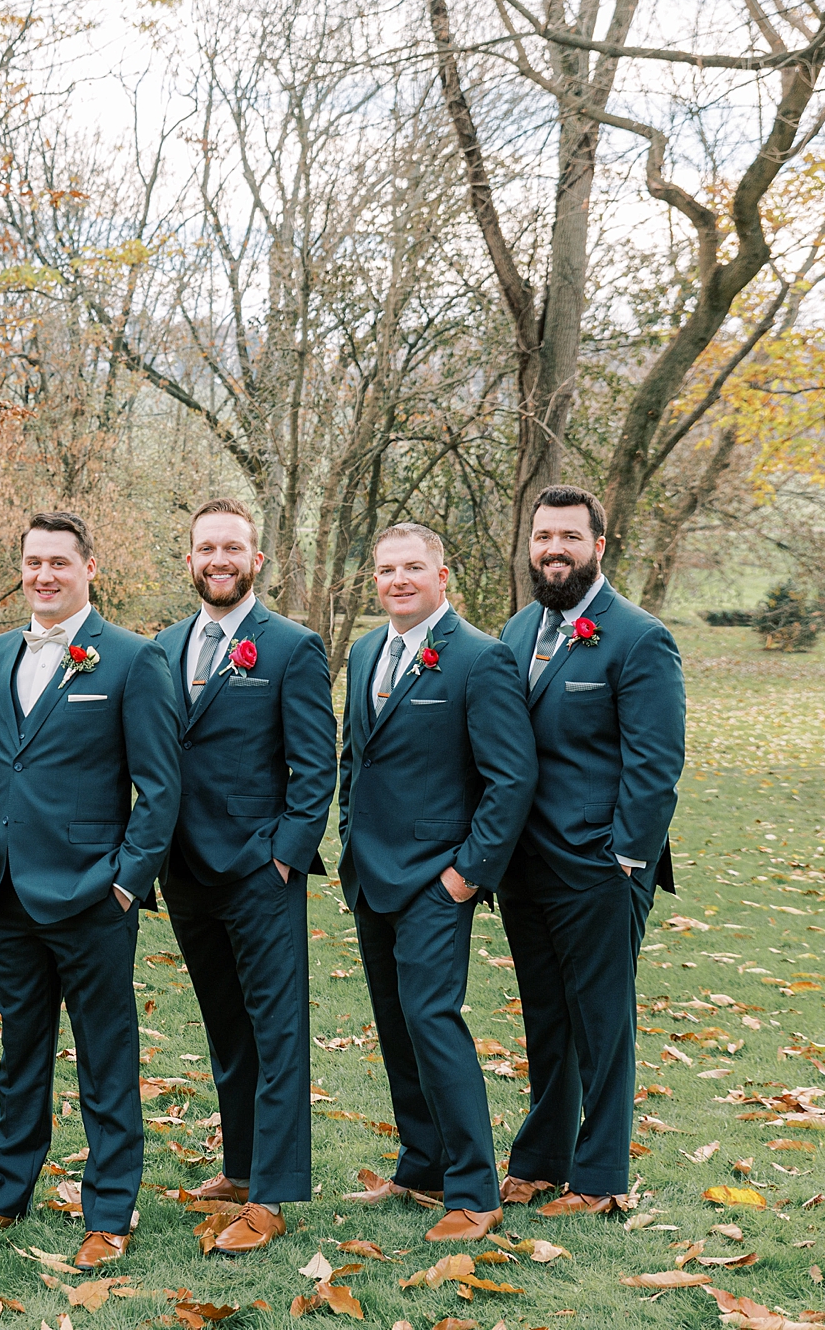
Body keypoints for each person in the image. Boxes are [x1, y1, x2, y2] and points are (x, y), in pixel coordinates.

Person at [0, 511, 182, 1272]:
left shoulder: (132, 659)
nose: (45, 574)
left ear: (89, 567)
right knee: (20, 1052)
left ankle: (108, 1209)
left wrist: (124, 882)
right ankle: (6, 1195)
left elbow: (162, 787)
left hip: (90, 896)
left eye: (59, 562)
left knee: (106, 1057)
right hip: (4, 892)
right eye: (33, 561)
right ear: (21, 568)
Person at [337, 523, 536, 1242]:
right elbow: (355, 756)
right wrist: (347, 832)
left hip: (434, 881)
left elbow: (511, 779)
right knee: (395, 1028)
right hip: (371, 876)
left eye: (412, 567)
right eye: (386, 568)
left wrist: (464, 875)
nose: (397, 579)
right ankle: (420, 1164)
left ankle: (476, 1191)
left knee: (433, 1021)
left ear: (441, 575)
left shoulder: (480, 659)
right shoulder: (364, 651)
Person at [495, 485, 686, 1217]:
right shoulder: (517, 631)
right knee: (546, 1016)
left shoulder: (638, 637)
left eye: (569, 536)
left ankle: (602, 1176)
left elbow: (656, 764)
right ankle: (542, 1157)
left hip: (602, 869)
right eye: (544, 536)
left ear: (598, 546)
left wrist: (625, 859)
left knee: (602, 1023)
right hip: (525, 866)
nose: (553, 549)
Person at [154, 498, 335, 1255]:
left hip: (262, 870)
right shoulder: (161, 648)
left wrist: (285, 854)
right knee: (226, 1025)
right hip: (185, 871)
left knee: (277, 1029)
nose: (219, 558)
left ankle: (275, 1191)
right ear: (189, 558)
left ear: (256, 560)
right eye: (206, 547)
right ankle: (239, 1164)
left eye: (233, 547)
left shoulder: (290, 647)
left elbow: (315, 764)